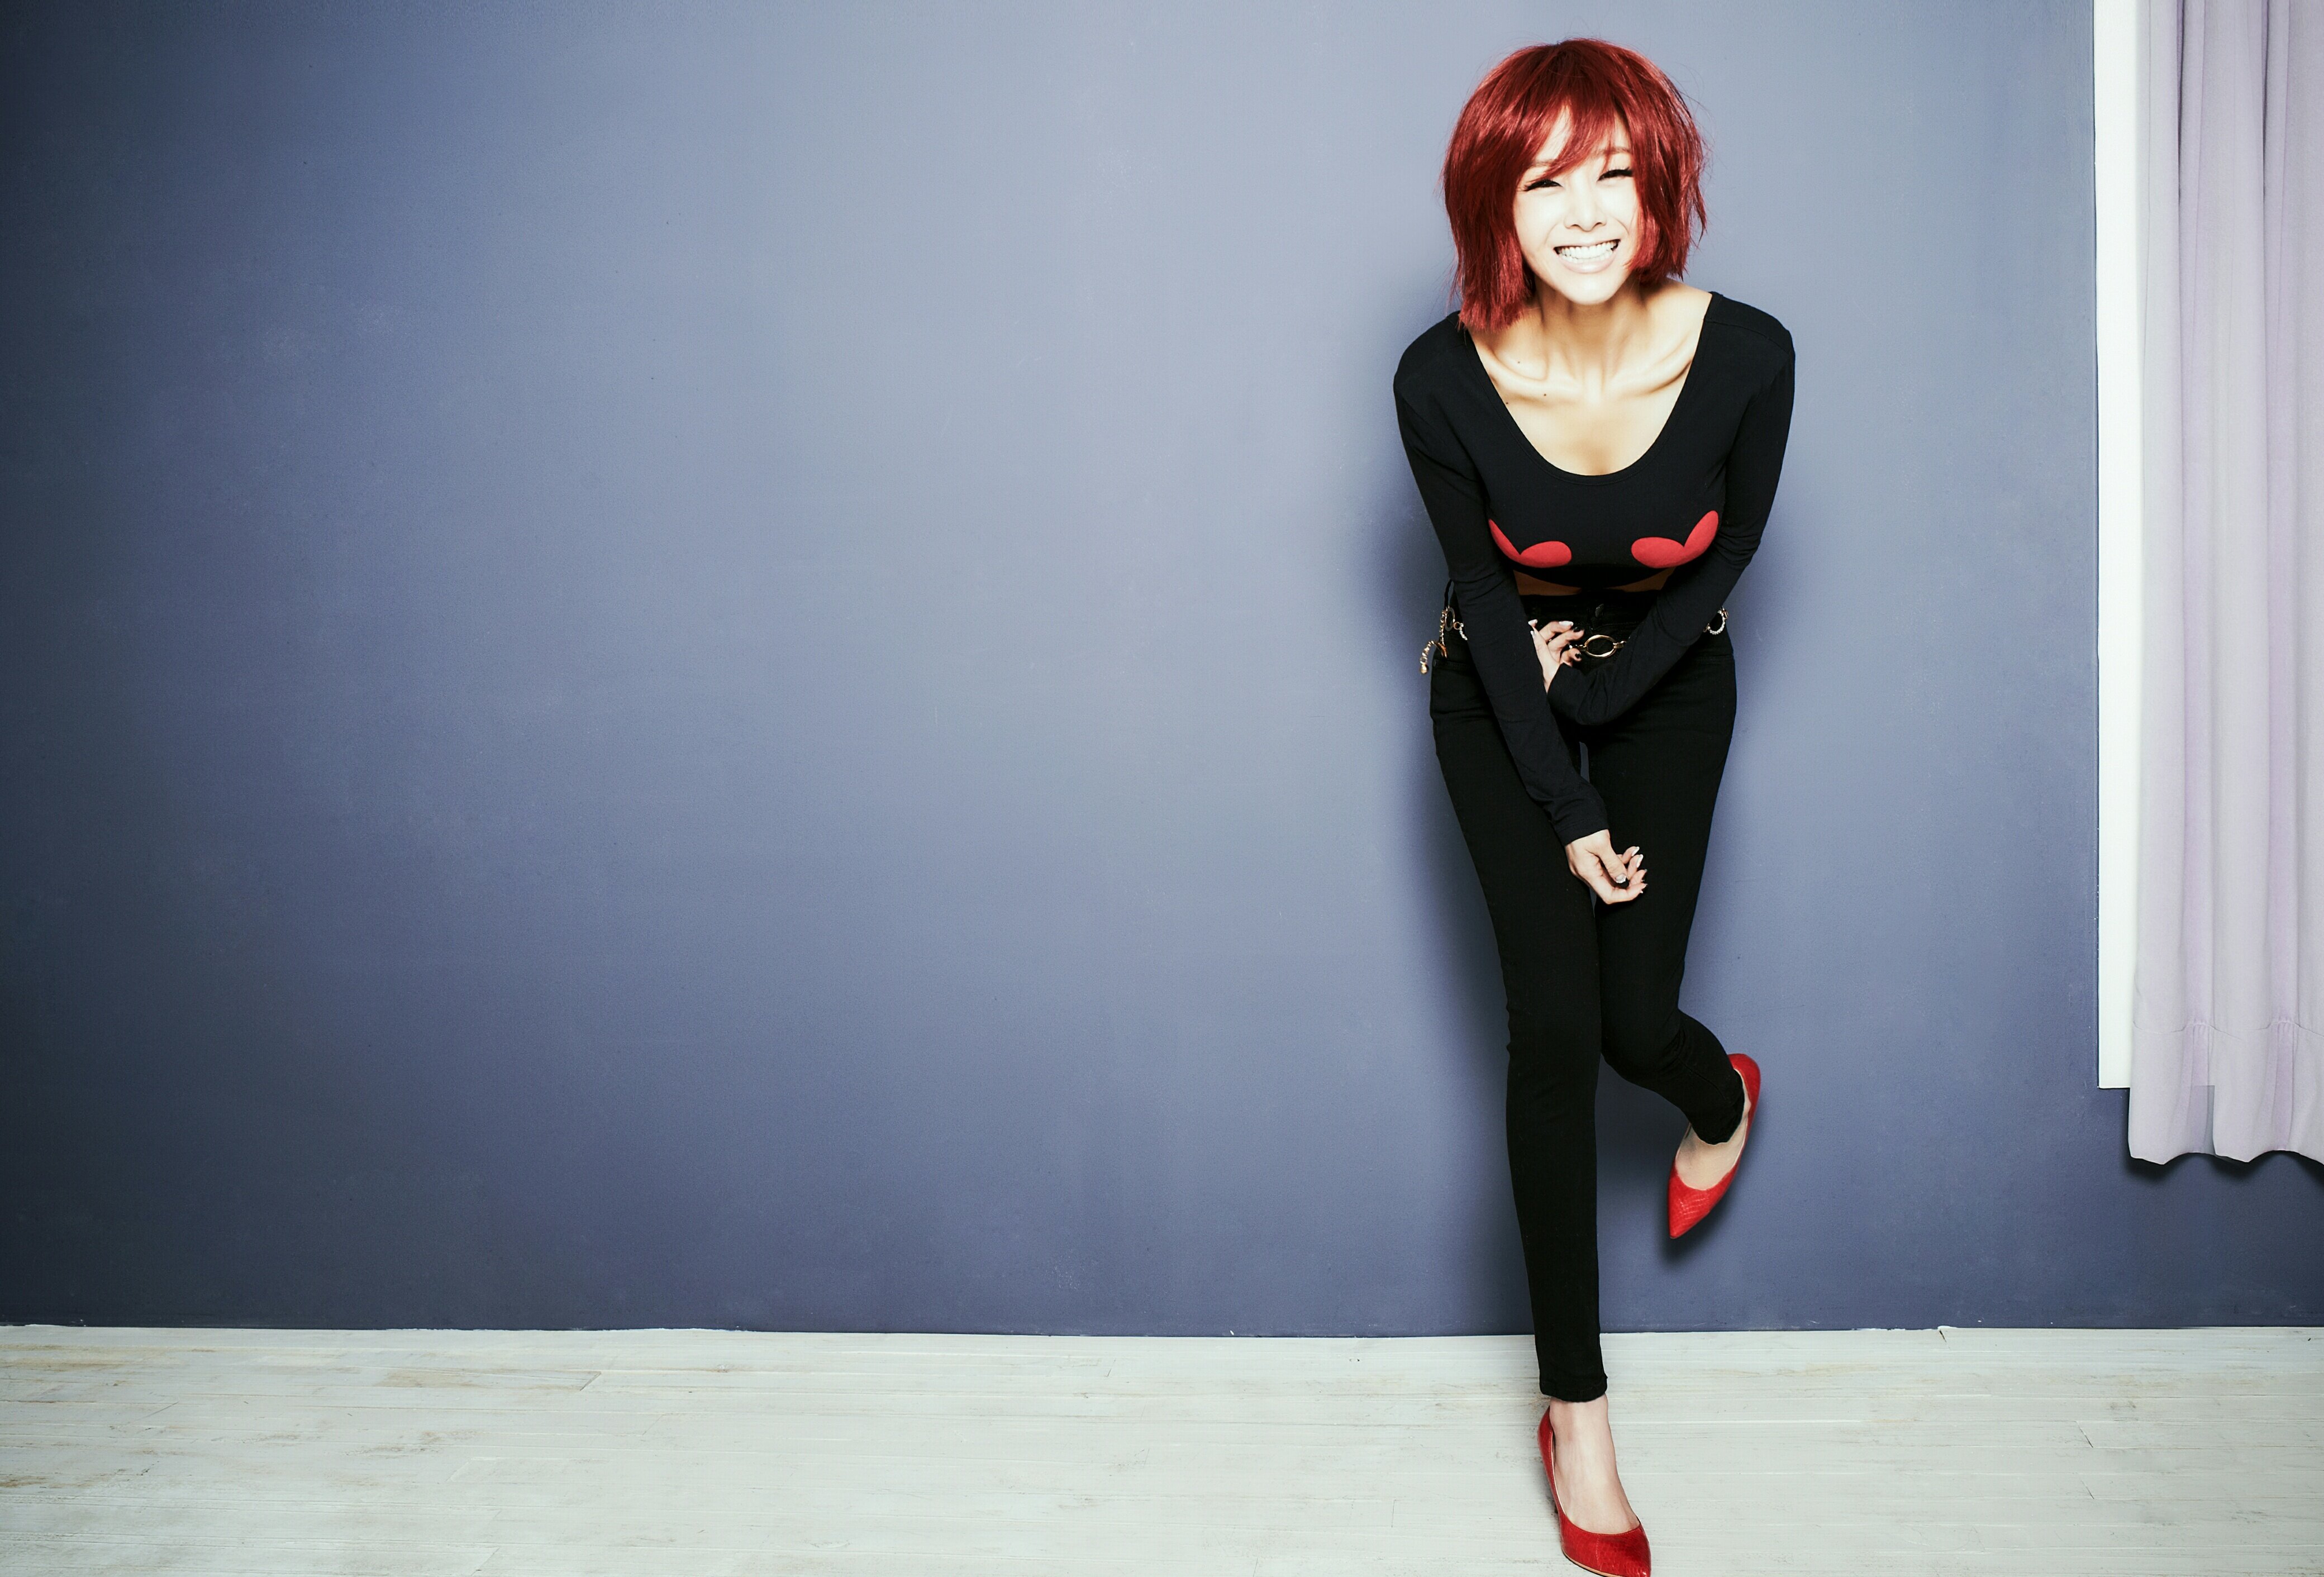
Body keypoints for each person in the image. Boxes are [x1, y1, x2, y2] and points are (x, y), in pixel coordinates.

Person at [1394, 38, 1794, 1577]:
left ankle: (1720, 1096)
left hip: (1664, 688)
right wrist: (1563, 794)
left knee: (1638, 1027)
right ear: (1495, 201)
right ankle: (1579, 1416)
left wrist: (1606, 700)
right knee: (1555, 1039)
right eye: (1544, 179)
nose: (1583, 212)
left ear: (1661, 187)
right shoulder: (1440, 377)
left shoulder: (1749, 353)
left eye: (1614, 173)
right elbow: (1485, 599)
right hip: (1500, 699)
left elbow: (1725, 558)